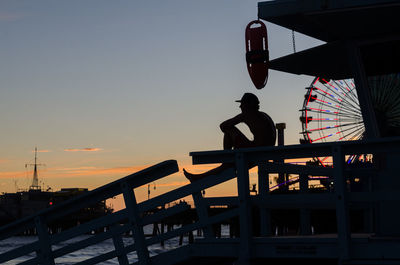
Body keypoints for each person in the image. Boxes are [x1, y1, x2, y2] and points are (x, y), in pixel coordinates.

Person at [183, 92, 276, 181]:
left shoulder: (247, 114)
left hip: (255, 153)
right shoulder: (264, 115)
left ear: (248, 105)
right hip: (263, 152)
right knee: (227, 164)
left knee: (229, 130)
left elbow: (223, 126)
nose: (240, 107)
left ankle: (226, 159)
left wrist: (232, 141)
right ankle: (201, 176)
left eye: (242, 104)